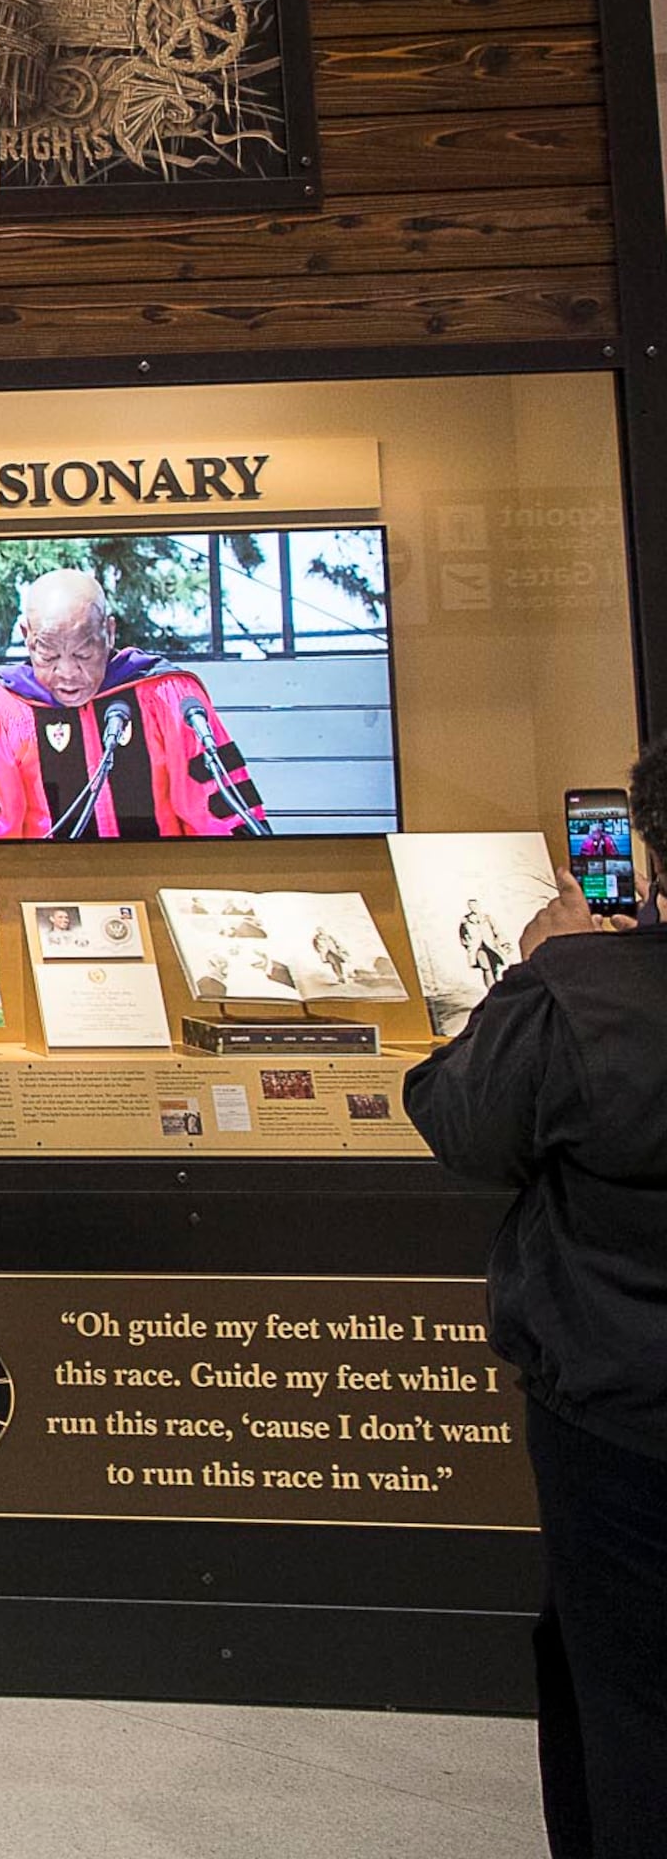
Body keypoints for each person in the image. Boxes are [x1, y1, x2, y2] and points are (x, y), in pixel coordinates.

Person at [407, 732, 667, 1857]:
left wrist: (539, 970)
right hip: (618, 1402)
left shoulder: (582, 990)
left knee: (629, 1693)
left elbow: (459, 1120)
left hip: (621, 1413)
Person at [0, 567, 271, 840]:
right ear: (26, 636)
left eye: (84, 653)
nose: (68, 672)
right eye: (48, 654)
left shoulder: (167, 697)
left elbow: (221, 821)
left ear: (109, 632)